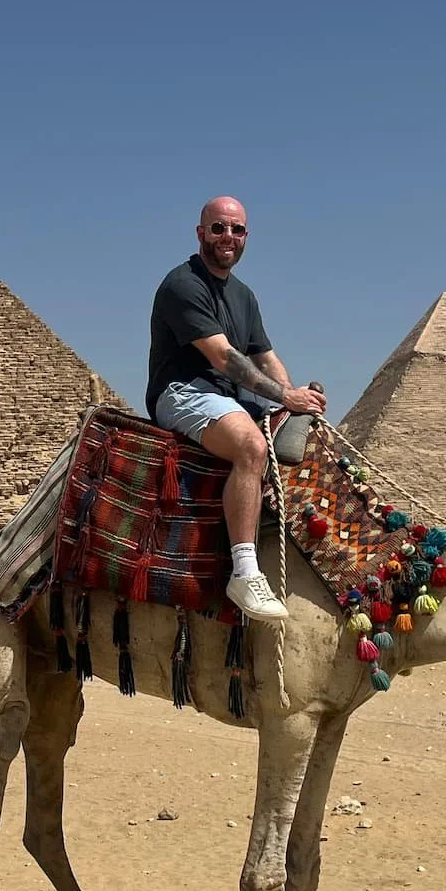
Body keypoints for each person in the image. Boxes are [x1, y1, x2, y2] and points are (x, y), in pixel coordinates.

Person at [146, 196, 325, 624]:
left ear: (246, 236)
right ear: (200, 233)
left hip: (230, 396)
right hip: (183, 391)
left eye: (237, 229)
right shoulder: (182, 285)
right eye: (219, 228)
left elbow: (265, 355)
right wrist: (284, 397)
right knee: (250, 445)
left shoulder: (244, 296)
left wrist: (295, 396)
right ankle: (244, 570)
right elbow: (225, 358)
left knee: (308, 437)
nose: (228, 237)